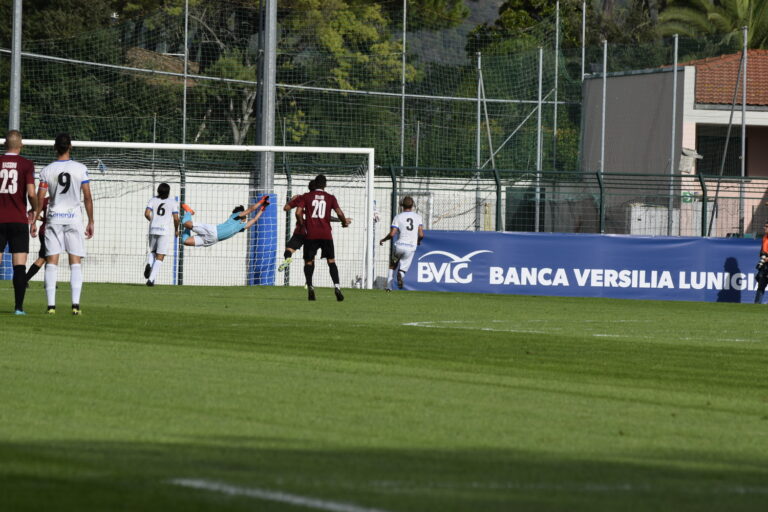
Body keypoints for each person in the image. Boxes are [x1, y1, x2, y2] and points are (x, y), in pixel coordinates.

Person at [32, 133, 94, 315]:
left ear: (54, 147)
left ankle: (51, 306)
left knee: (52, 260)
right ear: (70, 147)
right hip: (73, 218)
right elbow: (88, 197)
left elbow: (40, 197)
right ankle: (75, 305)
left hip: (54, 218)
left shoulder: (47, 170)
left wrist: (34, 219)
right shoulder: (80, 168)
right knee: (75, 261)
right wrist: (91, 221)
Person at [295, 174, 350, 301]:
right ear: (325, 185)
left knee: (309, 261)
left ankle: (310, 286)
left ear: (315, 184)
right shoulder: (330, 198)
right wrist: (344, 222)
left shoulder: (306, 196)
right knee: (331, 261)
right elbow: (340, 213)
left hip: (311, 234)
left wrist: (303, 224)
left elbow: (298, 212)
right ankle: (337, 287)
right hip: (326, 234)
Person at [0, 130, 37, 315]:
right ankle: (18, 308)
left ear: (5, 144)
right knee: (19, 266)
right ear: (20, 145)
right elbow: (31, 193)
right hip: (18, 220)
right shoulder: (27, 165)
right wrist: (35, 209)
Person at [180, 195, 269, 248]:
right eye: (244, 213)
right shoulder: (235, 216)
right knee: (186, 223)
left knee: (186, 241)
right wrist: (261, 201)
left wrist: (262, 208)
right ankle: (189, 212)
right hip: (213, 231)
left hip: (213, 240)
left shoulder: (241, 227)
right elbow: (251, 209)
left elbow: (254, 219)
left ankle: (188, 222)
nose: (246, 215)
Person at [379, 196, 424, 291]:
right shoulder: (418, 217)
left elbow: (392, 234)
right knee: (403, 268)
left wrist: (384, 239)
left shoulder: (398, 217)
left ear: (401, 205)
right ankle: (401, 274)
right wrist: (418, 241)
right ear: (413, 206)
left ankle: (388, 287)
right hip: (410, 247)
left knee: (392, 265)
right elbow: (421, 234)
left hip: (399, 246)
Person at [144, 183, 179, 286]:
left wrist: (153, 221)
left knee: (153, 251)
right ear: (168, 192)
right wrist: (176, 229)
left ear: (158, 191)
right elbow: (176, 218)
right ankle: (151, 280)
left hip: (153, 229)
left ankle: (150, 263)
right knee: (160, 256)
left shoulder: (153, 200)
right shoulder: (172, 202)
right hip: (164, 231)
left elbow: (146, 213)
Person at [25, 197, 49, 285]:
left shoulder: (46, 200)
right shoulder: (61, 201)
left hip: (46, 232)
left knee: (49, 258)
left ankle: (49, 281)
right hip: (49, 233)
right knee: (43, 258)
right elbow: (32, 213)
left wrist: (43, 219)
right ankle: (24, 280)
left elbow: (32, 212)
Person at [754, 221, 768, 303]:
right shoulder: (765, 237)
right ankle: (756, 306)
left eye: (766, 226)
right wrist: (762, 259)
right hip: (765, 265)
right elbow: (762, 252)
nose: (764, 227)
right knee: (761, 284)